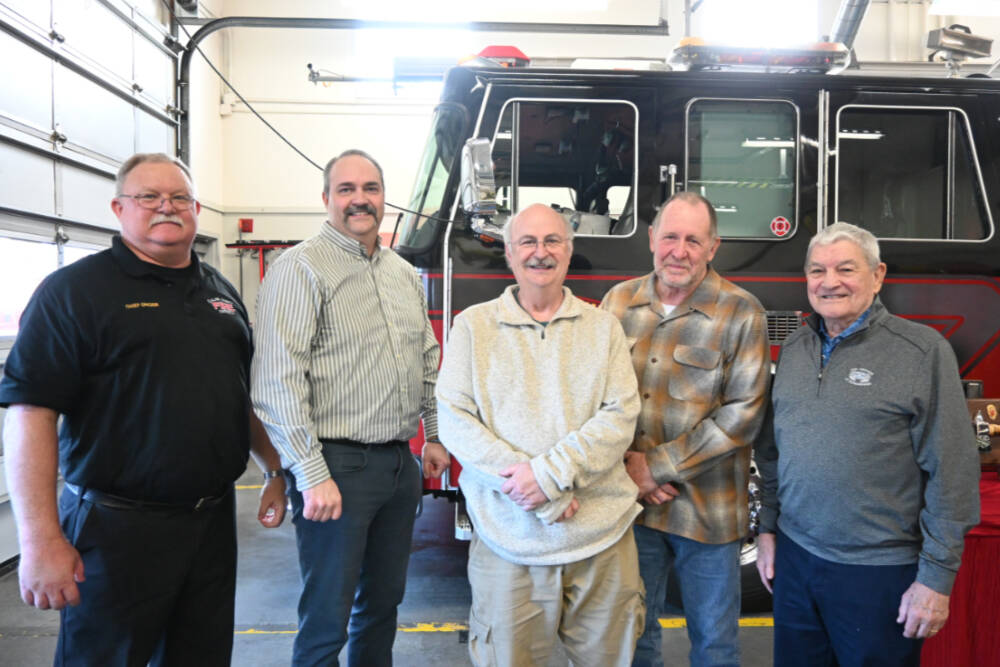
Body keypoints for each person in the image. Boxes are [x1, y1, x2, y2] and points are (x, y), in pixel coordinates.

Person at [0, 152, 287, 666]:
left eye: (178, 197)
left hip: (211, 522)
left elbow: (239, 394)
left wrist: (273, 468)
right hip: (115, 531)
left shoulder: (220, 294)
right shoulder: (74, 293)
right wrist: (40, 539)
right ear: (118, 207)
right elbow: (29, 414)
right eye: (148, 197)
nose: (166, 207)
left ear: (196, 208)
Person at [754, 221, 981, 666]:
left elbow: (952, 471)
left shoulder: (920, 352)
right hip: (797, 564)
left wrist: (935, 579)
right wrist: (767, 530)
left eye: (846, 269)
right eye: (817, 270)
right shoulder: (796, 348)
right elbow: (773, 453)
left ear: (878, 276)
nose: (829, 282)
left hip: (879, 573)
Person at [252, 149, 444, 667]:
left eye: (371, 188)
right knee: (326, 618)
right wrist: (312, 476)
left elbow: (426, 358)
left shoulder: (403, 273)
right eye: (346, 189)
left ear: (384, 198)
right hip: (335, 467)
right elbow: (276, 381)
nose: (360, 199)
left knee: (382, 607)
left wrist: (434, 436)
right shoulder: (301, 268)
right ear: (326, 199)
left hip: (398, 465)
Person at [435, 203, 645, 667]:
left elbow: (620, 415)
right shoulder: (472, 327)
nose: (540, 253)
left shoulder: (603, 328)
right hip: (508, 544)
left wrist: (548, 477)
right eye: (527, 242)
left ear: (568, 253)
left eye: (553, 241)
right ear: (509, 254)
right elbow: (454, 420)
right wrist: (543, 494)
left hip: (601, 544)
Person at [601, 192, 770, 667]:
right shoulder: (618, 302)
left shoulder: (742, 312)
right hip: (630, 508)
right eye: (670, 236)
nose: (680, 250)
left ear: (713, 247)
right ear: (652, 238)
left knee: (715, 645)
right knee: (634, 637)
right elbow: (594, 398)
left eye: (693, 240)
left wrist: (654, 468)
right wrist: (627, 471)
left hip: (708, 514)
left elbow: (743, 415)